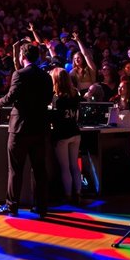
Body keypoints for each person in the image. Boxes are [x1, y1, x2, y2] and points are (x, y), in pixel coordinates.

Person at [0, 43, 54, 219]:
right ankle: (41, 207)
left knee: (15, 169)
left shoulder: (20, 74)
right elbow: (47, 99)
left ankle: (12, 206)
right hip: (39, 127)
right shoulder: (46, 77)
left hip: (20, 128)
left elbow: (10, 97)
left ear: (23, 56)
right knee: (39, 169)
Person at [50, 68, 81, 205]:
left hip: (62, 135)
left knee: (65, 167)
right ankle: (78, 193)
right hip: (75, 132)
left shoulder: (57, 98)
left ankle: (68, 195)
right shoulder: (75, 94)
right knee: (74, 166)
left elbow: (55, 118)